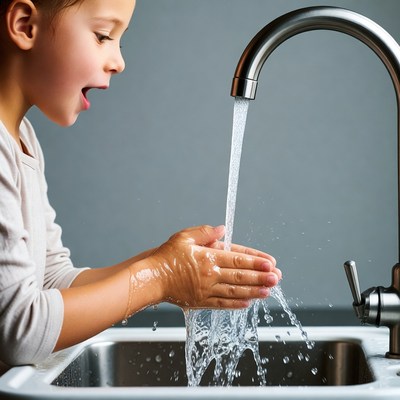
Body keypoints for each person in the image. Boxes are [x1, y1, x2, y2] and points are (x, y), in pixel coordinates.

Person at [0, 0, 281, 369]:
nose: (118, 61)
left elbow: (52, 282)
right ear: (25, 25)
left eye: (119, 40)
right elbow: (20, 332)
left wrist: (168, 263)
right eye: (103, 36)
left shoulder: (22, 139)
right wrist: (162, 277)